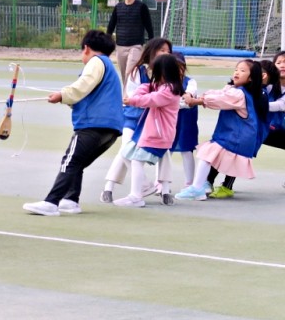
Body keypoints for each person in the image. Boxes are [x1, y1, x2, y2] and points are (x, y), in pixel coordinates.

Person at [23, 30, 124, 216]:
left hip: (93, 125)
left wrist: (62, 95)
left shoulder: (96, 62)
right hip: (111, 129)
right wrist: (67, 98)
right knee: (77, 163)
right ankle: (70, 200)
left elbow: (83, 85)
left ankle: (51, 202)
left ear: (86, 48)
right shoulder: (109, 66)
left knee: (69, 162)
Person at [178, 59, 269, 200]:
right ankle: (201, 186)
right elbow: (220, 94)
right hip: (235, 136)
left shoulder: (239, 94)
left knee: (207, 154)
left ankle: (197, 188)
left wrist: (197, 100)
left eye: (243, 70)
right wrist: (198, 98)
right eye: (236, 69)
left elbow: (219, 100)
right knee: (208, 156)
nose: (237, 72)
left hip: (236, 137)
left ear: (251, 78)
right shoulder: (236, 91)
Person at [101, 37, 172, 203]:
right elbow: (134, 96)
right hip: (133, 118)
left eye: (168, 52)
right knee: (126, 150)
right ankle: (112, 186)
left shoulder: (168, 73)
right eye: (162, 50)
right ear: (152, 51)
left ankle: (165, 188)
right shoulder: (137, 71)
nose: (165, 54)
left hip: (154, 121)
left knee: (165, 152)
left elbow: (173, 93)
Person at [114, 53, 184, 208]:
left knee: (137, 160)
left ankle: (136, 196)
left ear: (163, 72)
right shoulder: (162, 87)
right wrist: (141, 91)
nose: (152, 75)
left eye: (155, 72)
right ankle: (141, 190)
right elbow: (145, 89)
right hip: (150, 133)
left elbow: (151, 100)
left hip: (158, 135)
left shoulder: (169, 90)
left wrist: (132, 100)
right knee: (128, 154)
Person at [105, 0, 154, 92]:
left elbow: (149, 26)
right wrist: (106, 41)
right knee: (124, 74)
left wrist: (151, 44)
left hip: (136, 46)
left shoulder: (141, 7)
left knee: (129, 71)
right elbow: (111, 25)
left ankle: (126, 98)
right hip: (120, 46)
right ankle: (130, 96)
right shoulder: (118, 7)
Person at [169, 52, 200, 190]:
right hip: (169, 120)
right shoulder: (164, 83)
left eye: (180, 66)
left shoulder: (191, 82)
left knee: (187, 150)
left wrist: (172, 102)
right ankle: (161, 182)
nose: (177, 70)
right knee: (165, 151)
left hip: (186, 121)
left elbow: (187, 100)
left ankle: (189, 183)